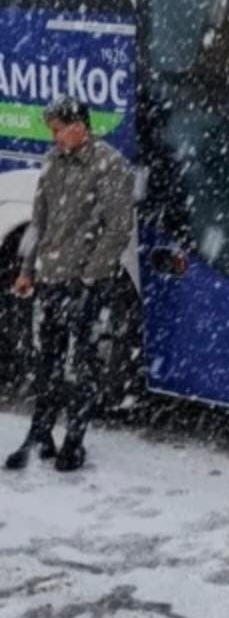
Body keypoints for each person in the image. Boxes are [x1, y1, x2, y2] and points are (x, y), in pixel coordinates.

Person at [5, 96, 134, 474]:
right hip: (50, 278)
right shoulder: (53, 163)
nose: (55, 137)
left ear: (80, 126)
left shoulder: (109, 165)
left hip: (88, 282)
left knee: (83, 363)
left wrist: (91, 276)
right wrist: (28, 269)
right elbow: (39, 222)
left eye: (59, 129)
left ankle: (74, 441)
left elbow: (117, 229)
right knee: (47, 359)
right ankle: (40, 433)